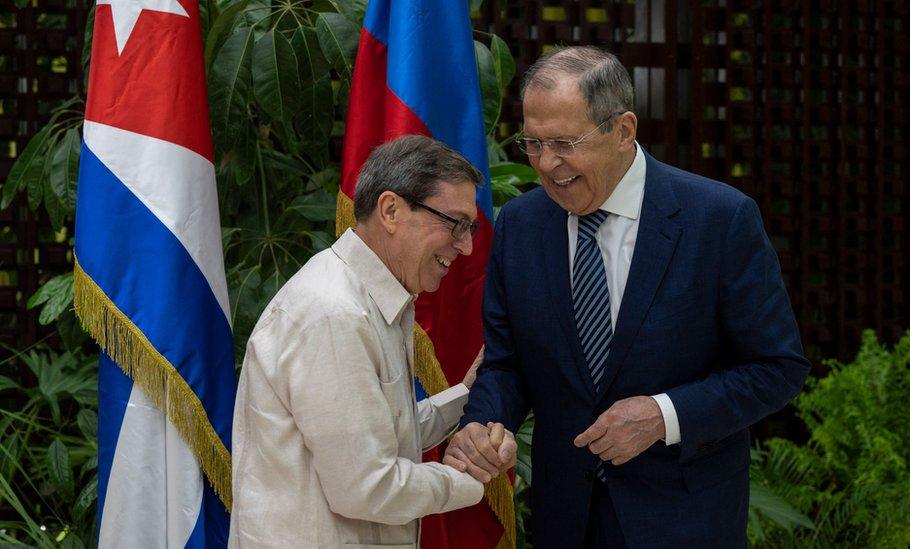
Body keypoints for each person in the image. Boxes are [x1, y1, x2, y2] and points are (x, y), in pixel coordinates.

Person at [443, 46, 811, 547]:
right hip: (566, 520)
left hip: (684, 521)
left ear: (623, 130)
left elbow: (777, 367)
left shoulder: (719, 220)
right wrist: (482, 424)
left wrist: (664, 416)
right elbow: (507, 364)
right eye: (533, 143)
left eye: (565, 143)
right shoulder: (520, 225)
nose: (547, 165)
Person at [229, 135, 487, 548]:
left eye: (469, 227)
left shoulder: (365, 299)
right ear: (390, 210)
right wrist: (469, 480)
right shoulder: (335, 314)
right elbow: (368, 486)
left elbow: (378, 432)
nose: (467, 245)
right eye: (455, 223)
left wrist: (467, 396)